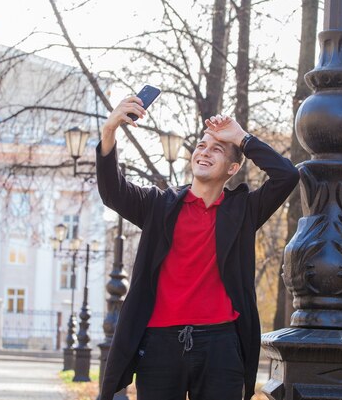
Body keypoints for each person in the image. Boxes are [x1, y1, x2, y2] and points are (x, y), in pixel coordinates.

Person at [96, 96, 299, 400]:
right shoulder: (158, 206)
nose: (204, 152)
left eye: (217, 149)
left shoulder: (242, 211)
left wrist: (241, 137)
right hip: (159, 345)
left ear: (232, 168)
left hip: (221, 346)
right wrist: (110, 128)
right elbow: (113, 191)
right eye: (202, 146)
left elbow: (287, 176)